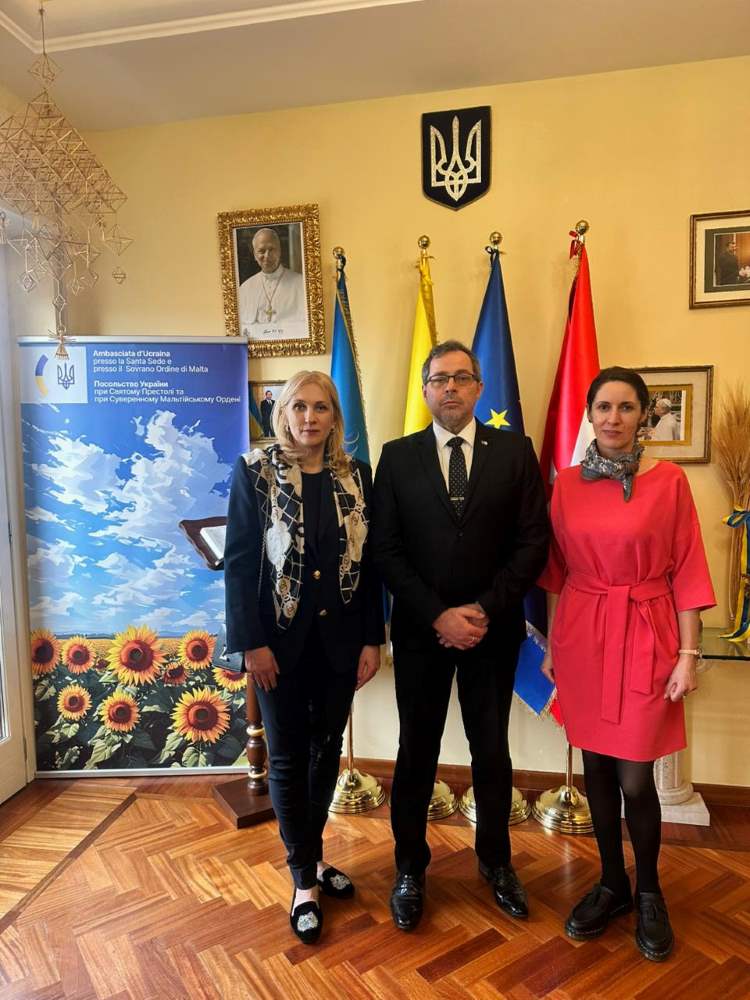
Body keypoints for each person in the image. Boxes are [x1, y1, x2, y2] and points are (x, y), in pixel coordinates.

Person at [538, 366, 715, 963]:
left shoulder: (669, 482)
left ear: (644, 416)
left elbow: (688, 569)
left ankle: (649, 891)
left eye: (626, 407)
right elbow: (558, 573)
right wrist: (554, 646)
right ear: (589, 415)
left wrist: (688, 655)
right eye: (603, 407)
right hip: (583, 634)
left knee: (636, 776)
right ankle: (611, 882)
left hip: (645, 631)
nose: (613, 418)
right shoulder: (566, 484)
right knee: (595, 767)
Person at [372, 340, 549, 932]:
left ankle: (496, 863)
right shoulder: (396, 457)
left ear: (479, 388)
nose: (450, 387)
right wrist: (437, 615)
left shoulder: (515, 452)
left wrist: (481, 609)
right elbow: (386, 550)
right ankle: (409, 868)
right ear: (426, 390)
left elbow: (533, 541)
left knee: (491, 751)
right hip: (422, 633)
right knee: (415, 752)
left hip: (491, 633)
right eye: (440, 378)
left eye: (462, 377)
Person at [224, 371, 384, 945]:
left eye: (321, 407)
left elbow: (369, 566)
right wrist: (252, 645)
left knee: (324, 754)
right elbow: (241, 564)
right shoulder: (254, 472)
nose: (310, 418)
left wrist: (372, 639)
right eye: (299, 407)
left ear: (335, 416)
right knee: (289, 760)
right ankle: (303, 881)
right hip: (277, 648)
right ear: (283, 413)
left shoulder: (355, 475)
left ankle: (312, 858)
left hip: (340, 645)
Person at [238, 228, 306, 334]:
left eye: (271, 249)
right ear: (255, 255)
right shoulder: (245, 289)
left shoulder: (301, 284)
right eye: (261, 251)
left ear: (279, 251)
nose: (267, 256)